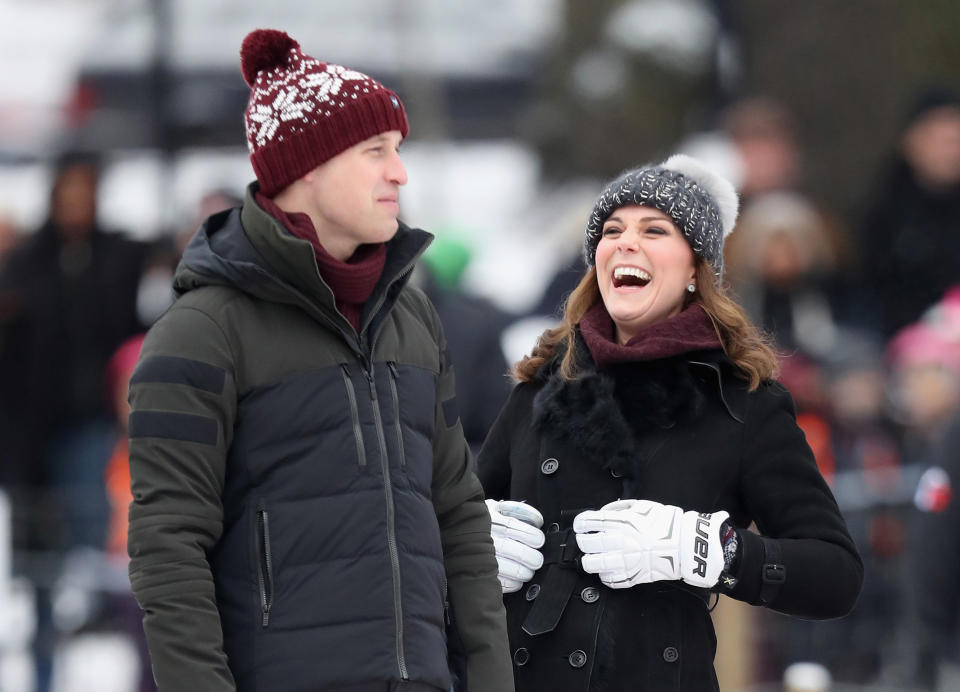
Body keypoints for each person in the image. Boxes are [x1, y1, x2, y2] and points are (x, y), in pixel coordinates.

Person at [127, 29, 512, 692]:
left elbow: (459, 521)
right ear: (307, 167)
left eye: (398, 150)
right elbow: (168, 549)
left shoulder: (413, 318)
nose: (400, 172)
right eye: (376, 152)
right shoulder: (201, 332)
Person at [477, 155, 863, 690]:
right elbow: (449, 527)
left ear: (694, 270)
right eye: (611, 230)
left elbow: (835, 576)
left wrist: (710, 551)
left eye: (654, 229)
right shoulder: (543, 388)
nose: (625, 242)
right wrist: (470, 551)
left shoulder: (744, 402)